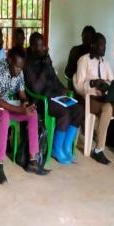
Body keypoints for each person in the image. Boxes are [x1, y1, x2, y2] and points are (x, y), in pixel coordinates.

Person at [0, 47, 50, 184]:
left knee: (32, 114)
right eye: (16, 67)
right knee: (5, 116)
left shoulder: (19, 70)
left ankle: (32, 161)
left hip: (7, 104)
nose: (19, 70)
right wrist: (19, 109)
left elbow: (21, 93)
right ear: (9, 60)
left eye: (21, 67)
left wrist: (26, 104)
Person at [24, 32, 84, 164]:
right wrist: (45, 67)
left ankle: (66, 147)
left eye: (44, 45)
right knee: (65, 113)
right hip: (41, 100)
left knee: (79, 110)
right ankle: (56, 149)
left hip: (56, 96)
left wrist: (64, 88)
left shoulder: (45, 58)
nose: (44, 48)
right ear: (33, 47)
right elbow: (35, 88)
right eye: (40, 46)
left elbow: (54, 78)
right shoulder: (28, 63)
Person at [73, 33, 114, 164]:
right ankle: (98, 150)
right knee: (107, 108)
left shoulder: (106, 63)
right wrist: (93, 83)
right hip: (91, 98)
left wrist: (106, 86)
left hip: (107, 96)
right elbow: (79, 85)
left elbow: (112, 81)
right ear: (93, 45)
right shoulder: (83, 60)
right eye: (101, 45)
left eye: (105, 45)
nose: (104, 48)